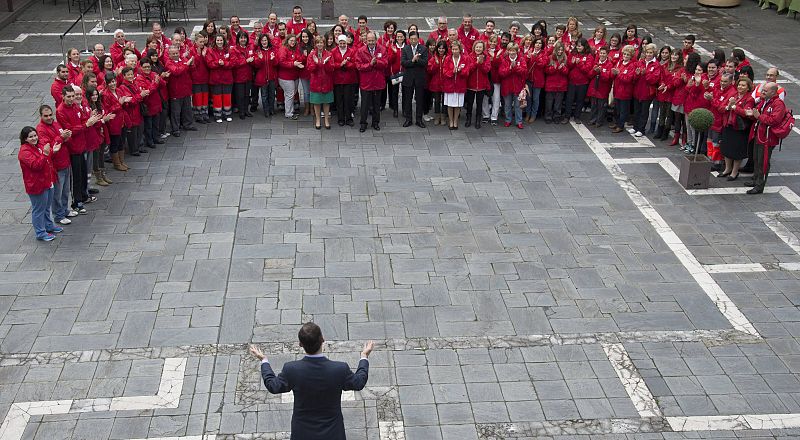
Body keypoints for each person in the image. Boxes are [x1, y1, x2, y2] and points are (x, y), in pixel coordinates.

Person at [249, 322, 374, 440]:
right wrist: (364, 356)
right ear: (322, 339)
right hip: (332, 432)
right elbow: (359, 382)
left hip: (302, 432)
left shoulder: (292, 369)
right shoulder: (339, 369)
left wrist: (264, 360)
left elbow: (273, 386)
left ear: (300, 344)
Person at [18, 127, 62, 241]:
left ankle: (49, 225)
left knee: (47, 207)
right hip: (36, 185)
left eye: (35, 135)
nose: (34, 138)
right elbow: (36, 165)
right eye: (31, 137)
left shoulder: (38, 146)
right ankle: (40, 232)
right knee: (38, 209)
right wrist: (46, 153)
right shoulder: (24, 152)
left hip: (47, 181)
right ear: (25, 139)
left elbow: (47, 156)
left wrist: (53, 151)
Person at [745, 82, 787, 194]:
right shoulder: (765, 101)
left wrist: (759, 116)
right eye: (763, 90)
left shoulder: (778, 104)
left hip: (767, 137)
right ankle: (756, 179)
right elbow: (757, 111)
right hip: (759, 134)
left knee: (762, 161)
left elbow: (774, 120)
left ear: (773, 92)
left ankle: (759, 185)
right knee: (756, 158)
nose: (762, 92)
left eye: (765, 91)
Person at [36, 105, 75, 225]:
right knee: (57, 193)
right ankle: (58, 215)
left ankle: (64, 210)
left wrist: (66, 137)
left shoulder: (56, 124)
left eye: (50, 115)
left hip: (65, 161)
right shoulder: (41, 130)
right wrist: (61, 138)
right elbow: (48, 147)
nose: (49, 117)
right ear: (41, 116)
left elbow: (62, 138)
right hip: (56, 165)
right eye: (45, 116)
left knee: (65, 190)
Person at [719, 76, 755, 181]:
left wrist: (735, 107)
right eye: (739, 84)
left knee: (737, 151)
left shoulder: (749, 99)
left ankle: (734, 172)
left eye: (743, 85)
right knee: (726, 148)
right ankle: (727, 169)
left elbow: (746, 113)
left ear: (748, 88)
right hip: (728, 125)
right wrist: (728, 106)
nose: (740, 87)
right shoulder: (733, 95)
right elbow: (722, 107)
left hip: (739, 128)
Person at [355, 31, 387, 132]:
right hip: (366, 82)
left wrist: (376, 62)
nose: (371, 42)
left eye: (372, 40)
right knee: (364, 105)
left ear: (376, 40)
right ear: (366, 40)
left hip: (378, 82)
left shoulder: (382, 49)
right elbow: (358, 66)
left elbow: (385, 63)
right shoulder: (360, 51)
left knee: (377, 104)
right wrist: (370, 64)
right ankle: (363, 123)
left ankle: (375, 122)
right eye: (369, 40)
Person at [206, 34, 238, 123]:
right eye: (218, 40)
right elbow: (209, 63)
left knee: (227, 97)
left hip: (227, 78)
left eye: (221, 40)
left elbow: (233, 62)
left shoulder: (230, 50)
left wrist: (224, 63)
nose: (219, 42)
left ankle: (227, 114)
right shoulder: (210, 51)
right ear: (215, 41)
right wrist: (217, 63)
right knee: (217, 98)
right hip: (215, 79)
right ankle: (217, 115)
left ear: (224, 41)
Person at [165, 45, 197, 136]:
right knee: (176, 112)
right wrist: (187, 64)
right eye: (173, 53)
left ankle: (188, 124)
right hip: (176, 91)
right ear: (169, 54)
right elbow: (177, 72)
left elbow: (192, 70)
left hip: (186, 90)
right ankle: (175, 129)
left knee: (187, 110)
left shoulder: (182, 60)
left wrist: (192, 64)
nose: (175, 55)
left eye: (177, 53)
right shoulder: (168, 63)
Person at [631, 43, 661, 137]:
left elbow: (654, 80)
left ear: (654, 53)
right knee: (637, 110)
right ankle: (635, 126)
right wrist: (637, 74)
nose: (648, 54)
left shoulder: (656, 65)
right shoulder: (640, 62)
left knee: (644, 111)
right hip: (638, 90)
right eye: (647, 52)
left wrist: (645, 74)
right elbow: (634, 77)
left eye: (650, 52)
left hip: (647, 92)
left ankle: (641, 128)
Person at [101, 72, 128, 172]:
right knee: (115, 143)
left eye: (114, 81)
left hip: (122, 120)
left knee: (121, 142)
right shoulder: (105, 94)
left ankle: (121, 161)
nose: (113, 84)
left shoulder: (118, 90)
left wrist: (125, 102)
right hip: (113, 122)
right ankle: (117, 163)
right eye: (111, 82)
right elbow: (107, 110)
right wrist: (119, 103)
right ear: (107, 83)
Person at [400, 31, 428, 128]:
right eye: (411, 39)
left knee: (420, 100)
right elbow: (403, 63)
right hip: (408, 78)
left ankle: (419, 120)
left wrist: (417, 60)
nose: (413, 41)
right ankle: (408, 119)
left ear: (418, 39)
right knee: (408, 100)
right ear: (409, 39)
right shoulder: (405, 49)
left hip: (419, 78)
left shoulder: (423, 49)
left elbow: (425, 63)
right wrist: (412, 61)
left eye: (415, 39)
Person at [443, 40, 471, 130]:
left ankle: (456, 121)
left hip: (460, 85)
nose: (454, 51)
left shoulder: (465, 58)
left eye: (456, 49)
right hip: (449, 85)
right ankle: (451, 121)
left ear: (460, 49)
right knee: (450, 104)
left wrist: (460, 71)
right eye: (453, 49)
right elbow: (444, 71)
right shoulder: (447, 58)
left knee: (458, 104)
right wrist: (452, 72)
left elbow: (467, 72)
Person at [307, 35, 334, 129]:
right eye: (318, 42)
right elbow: (310, 69)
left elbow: (331, 69)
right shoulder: (311, 55)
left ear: (324, 43)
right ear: (315, 44)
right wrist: (316, 62)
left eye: (321, 42)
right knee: (317, 102)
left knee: (326, 102)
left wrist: (325, 63)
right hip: (316, 82)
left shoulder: (329, 54)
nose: (319, 44)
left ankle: (326, 119)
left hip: (326, 82)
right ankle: (318, 119)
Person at [564, 39, 594, 124]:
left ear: (585, 46)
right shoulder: (572, 54)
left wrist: (579, 63)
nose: (578, 47)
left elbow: (587, 69)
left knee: (580, 100)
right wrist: (572, 63)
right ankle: (567, 116)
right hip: (572, 81)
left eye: (580, 46)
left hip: (583, 82)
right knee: (569, 100)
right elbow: (568, 66)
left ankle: (577, 116)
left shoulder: (589, 56)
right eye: (577, 45)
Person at [499, 42, 526, 128]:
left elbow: (524, 71)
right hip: (507, 86)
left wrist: (516, 68)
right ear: (508, 51)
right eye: (510, 50)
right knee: (507, 105)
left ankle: (519, 121)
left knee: (518, 105)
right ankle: (508, 120)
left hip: (518, 86)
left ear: (517, 51)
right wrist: (510, 68)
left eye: (514, 50)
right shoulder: (504, 60)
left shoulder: (521, 59)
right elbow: (501, 73)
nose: (512, 52)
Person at [610, 45, 637, 133]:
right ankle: (617, 122)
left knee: (623, 110)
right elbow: (615, 74)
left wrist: (618, 74)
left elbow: (628, 79)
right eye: (624, 54)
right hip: (617, 90)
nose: (625, 56)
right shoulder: (619, 62)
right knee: (617, 108)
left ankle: (620, 125)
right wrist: (614, 73)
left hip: (625, 91)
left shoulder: (632, 65)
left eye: (627, 55)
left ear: (631, 56)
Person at [332, 35, 357, 127]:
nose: (342, 45)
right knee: (339, 100)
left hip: (349, 79)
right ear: (338, 43)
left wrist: (346, 65)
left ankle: (349, 118)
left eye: (344, 43)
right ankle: (341, 118)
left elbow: (355, 64)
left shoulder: (352, 51)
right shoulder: (333, 51)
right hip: (338, 79)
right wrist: (340, 65)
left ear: (347, 43)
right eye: (340, 43)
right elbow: (332, 64)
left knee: (348, 100)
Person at [465, 40, 490, 129]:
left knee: (479, 104)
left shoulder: (486, 57)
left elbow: (487, 70)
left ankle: (478, 120)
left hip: (481, 85)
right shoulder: (469, 56)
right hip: (470, 85)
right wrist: (476, 63)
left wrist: (481, 63)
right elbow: (468, 70)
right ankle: (468, 119)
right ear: (474, 47)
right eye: (477, 47)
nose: (478, 49)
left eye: (480, 47)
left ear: (483, 48)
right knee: (470, 103)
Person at [278, 34, 304, 120]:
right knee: (290, 94)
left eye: (294, 41)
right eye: (291, 40)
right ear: (287, 41)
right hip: (285, 77)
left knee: (291, 94)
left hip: (294, 76)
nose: (293, 42)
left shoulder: (295, 49)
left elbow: (299, 58)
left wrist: (303, 56)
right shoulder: (283, 49)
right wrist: (293, 64)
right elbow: (281, 62)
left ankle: (290, 110)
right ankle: (289, 113)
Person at [587, 45, 613, 127]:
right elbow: (589, 75)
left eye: (604, 53)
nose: (602, 55)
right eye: (601, 53)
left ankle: (599, 121)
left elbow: (607, 78)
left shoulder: (609, 64)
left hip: (603, 89)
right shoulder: (595, 62)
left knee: (601, 107)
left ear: (607, 54)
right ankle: (592, 120)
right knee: (594, 105)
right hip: (594, 88)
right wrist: (594, 71)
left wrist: (600, 72)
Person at [253, 33, 279, 117]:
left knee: (272, 95)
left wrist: (273, 59)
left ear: (268, 41)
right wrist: (260, 59)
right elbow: (256, 65)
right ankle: (266, 110)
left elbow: (276, 63)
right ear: (260, 42)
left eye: (265, 40)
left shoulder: (273, 50)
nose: (264, 42)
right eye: (262, 40)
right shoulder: (258, 51)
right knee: (264, 95)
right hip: (262, 77)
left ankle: (271, 109)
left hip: (271, 76)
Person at [544, 42, 569, 124]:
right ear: (555, 50)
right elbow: (546, 71)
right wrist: (553, 68)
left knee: (558, 104)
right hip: (550, 84)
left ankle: (556, 116)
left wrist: (562, 68)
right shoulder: (550, 58)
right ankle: (548, 116)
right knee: (549, 103)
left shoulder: (565, 58)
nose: (560, 51)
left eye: (562, 50)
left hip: (561, 85)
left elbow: (567, 72)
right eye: (559, 49)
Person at [232, 31, 255, 120]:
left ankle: (246, 110)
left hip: (248, 75)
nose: (243, 39)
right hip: (239, 76)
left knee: (246, 94)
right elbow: (235, 63)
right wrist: (246, 61)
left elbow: (253, 58)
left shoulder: (249, 48)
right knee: (240, 95)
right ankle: (241, 111)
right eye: (241, 38)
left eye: (244, 38)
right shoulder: (234, 49)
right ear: (238, 39)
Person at [384, 30, 405, 118]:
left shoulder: (406, 47)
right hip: (395, 73)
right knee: (394, 92)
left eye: (401, 37)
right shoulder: (392, 47)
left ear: (404, 37)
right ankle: (395, 109)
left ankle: (404, 110)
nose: (399, 38)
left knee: (405, 92)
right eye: (398, 37)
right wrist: (394, 52)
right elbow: (389, 60)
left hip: (405, 74)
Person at [525, 38, 546, 123]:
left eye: (540, 43)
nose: (538, 45)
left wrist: (534, 57)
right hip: (529, 79)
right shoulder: (529, 51)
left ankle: (533, 115)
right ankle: (527, 113)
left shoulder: (544, 54)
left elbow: (542, 64)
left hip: (538, 80)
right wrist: (528, 57)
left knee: (535, 99)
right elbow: (524, 63)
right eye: (536, 43)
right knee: (528, 98)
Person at [427, 40, 448, 126]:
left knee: (444, 101)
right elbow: (429, 70)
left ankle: (443, 117)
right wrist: (436, 64)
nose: (441, 50)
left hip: (445, 83)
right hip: (436, 83)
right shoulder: (433, 58)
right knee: (437, 100)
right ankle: (437, 116)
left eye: (443, 48)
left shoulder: (448, 58)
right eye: (439, 48)